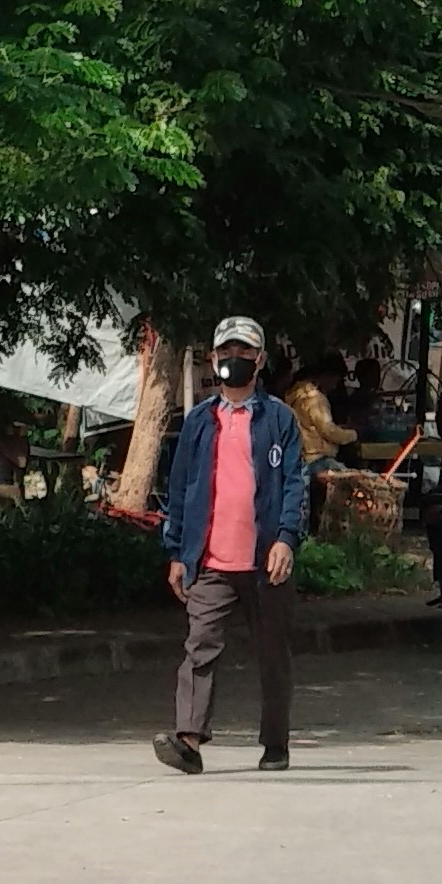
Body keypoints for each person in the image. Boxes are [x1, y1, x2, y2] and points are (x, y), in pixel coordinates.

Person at [154, 315, 308, 776]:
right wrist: (179, 553)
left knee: (272, 654)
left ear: (259, 360)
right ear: (213, 357)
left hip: (266, 563)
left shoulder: (279, 419)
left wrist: (286, 539)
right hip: (212, 560)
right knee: (199, 645)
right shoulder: (200, 422)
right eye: (226, 352)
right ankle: (188, 742)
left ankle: (275, 743)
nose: (233, 360)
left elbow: (297, 484)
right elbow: (180, 489)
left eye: (244, 353)